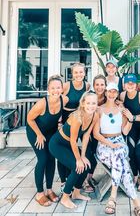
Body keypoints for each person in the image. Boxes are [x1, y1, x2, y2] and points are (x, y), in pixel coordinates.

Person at [93, 82, 140, 216]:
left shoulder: (121, 109)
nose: (111, 94)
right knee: (121, 162)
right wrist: (110, 144)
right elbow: (96, 134)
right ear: (105, 93)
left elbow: (124, 132)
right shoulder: (99, 110)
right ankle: (137, 203)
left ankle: (113, 198)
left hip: (119, 141)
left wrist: (130, 119)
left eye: (114, 92)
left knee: (118, 156)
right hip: (104, 145)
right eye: (109, 91)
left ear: (117, 93)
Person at [49, 92, 98, 209]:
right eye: (88, 103)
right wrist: (78, 159)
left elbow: (86, 136)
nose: (91, 106)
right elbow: (73, 140)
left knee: (86, 166)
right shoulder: (77, 117)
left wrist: (83, 156)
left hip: (69, 144)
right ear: (83, 103)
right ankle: (65, 197)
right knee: (78, 168)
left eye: (94, 103)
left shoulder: (95, 115)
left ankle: (76, 193)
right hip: (58, 144)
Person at [26, 75, 68, 206]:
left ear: (62, 88)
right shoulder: (42, 103)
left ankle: (49, 190)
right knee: (43, 159)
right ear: (48, 89)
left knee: (51, 159)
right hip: (35, 132)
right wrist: (38, 134)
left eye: (58, 87)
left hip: (50, 132)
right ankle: (39, 193)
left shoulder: (64, 100)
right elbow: (29, 118)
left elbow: (67, 112)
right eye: (53, 88)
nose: (56, 90)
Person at [58, 62, 90, 192]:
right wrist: (59, 122)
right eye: (76, 72)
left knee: (86, 149)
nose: (79, 75)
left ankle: (84, 179)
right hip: (66, 120)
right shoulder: (66, 86)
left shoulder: (87, 86)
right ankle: (63, 181)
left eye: (81, 72)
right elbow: (58, 103)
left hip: (80, 120)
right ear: (72, 74)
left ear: (85, 73)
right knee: (65, 149)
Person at [120, 74, 140, 192]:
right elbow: (121, 108)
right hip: (132, 128)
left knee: (138, 152)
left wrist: (133, 117)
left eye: (132, 83)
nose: (130, 85)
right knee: (131, 153)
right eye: (128, 83)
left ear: (136, 85)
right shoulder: (122, 96)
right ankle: (134, 175)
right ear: (124, 85)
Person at [83, 74, 107, 192]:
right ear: (93, 86)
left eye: (102, 84)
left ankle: (90, 178)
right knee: (88, 154)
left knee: (95, 155)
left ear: (105, 86)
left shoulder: (108, 97)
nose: (99, 87)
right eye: (97, 84)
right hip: (88, 129)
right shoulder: (90, 97)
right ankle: (85, 181)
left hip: (101, 131)